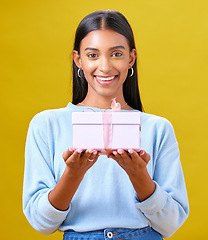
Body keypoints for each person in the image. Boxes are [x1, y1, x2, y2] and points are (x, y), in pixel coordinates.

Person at [23, 10, 189, 240]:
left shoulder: (157, 128)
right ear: (78, 59)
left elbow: (171, 223)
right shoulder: (46, 125)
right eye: (93, 55)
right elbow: (41, 222)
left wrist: (139, 175)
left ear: (131, 58)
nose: (104, 66)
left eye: (116, 54)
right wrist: (73, 174)